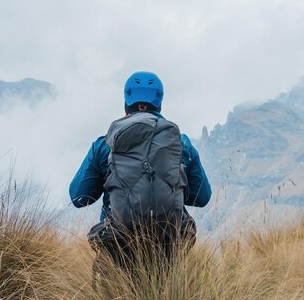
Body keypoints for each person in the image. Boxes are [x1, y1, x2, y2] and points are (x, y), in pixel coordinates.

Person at [69, 71, 211, 269]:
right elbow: (202, 197)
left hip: (118, 247)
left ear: (126, 102)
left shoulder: (105, 145)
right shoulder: (182, 145)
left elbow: (79, 197)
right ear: (159, 103)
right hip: (168, 249)